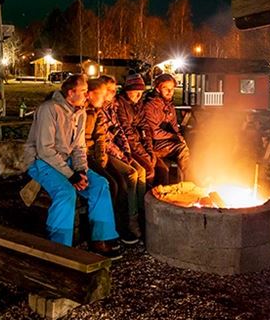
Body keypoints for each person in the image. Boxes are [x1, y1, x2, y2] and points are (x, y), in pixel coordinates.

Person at [23, 74, 121, 257]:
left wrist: (81, 170)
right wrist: (71, 176)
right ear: (70, 92)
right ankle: (59, 245)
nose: (87, 95)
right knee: (66, 192)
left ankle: (100, 238)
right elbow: (45, 149)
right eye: (83, 91)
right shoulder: (49, 109)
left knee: (100, 185)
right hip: (40, 161)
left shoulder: (80, 112)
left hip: (66, 161)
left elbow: (79, 147)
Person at [84, 77, 146, 243]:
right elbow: (102, 140)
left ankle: (139, 216)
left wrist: (127, 153)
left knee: (142, 171)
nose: (110, 95)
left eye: (111, 91)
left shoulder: (107, 108)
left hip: (108, 152)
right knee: (121, 180)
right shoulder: (93, 110)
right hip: (96, 154)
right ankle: (122, 224)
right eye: (107, 92)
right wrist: (118, 156)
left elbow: (118, 132)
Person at [114, 73, 170, 187]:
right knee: (149, 171)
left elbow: (145, 127)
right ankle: (146, 199)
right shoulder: (120, 104)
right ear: (128, 91)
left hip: (141, 146)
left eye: (141, 92)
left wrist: (149, 150)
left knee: (162, 169)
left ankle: (161, 199)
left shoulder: (138, 104)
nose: (139, 95)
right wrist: (144, 153)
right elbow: (126, 131)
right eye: (135, 92)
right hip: (129, 147)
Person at [142, 73, 191, 184]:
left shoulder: (169, 106)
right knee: (180, 150)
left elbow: (174, 128)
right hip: (152, 144)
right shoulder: (149, 106)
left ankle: (187, 182)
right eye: (165, 88)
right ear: (158, 89)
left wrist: (179, 136)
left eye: (172, 89)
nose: (170, 92)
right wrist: (174, 136)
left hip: (165, 143)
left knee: (184, 146)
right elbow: (154, 133)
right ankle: (190, 182)